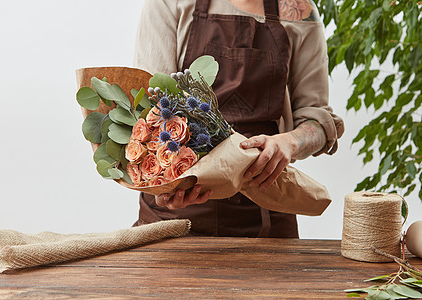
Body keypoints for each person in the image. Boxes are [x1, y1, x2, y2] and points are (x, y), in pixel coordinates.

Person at [132, 0, 344, 238]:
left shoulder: (300, 12)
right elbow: (152, 112)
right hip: (172, 219)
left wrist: (289, 142)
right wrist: (164, 188)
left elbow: (319, 123)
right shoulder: (169, 3)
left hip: (265, 214)